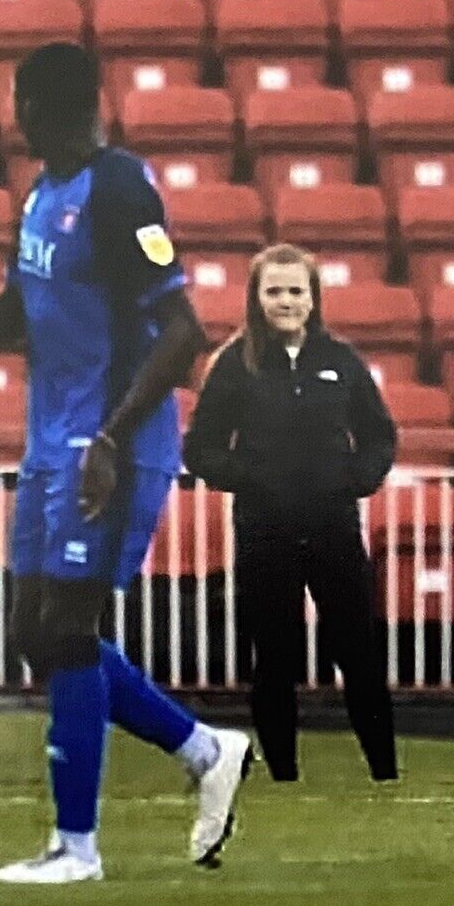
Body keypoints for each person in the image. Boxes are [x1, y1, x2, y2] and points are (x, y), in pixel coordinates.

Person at [0, 41, 253, 880]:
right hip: (51, 443)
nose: (14, 119)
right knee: (33, 634)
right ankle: (203, 749)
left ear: (45, 109)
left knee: (69, 629)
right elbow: (18, 312)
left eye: (21, 104)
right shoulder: (43, 195)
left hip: (108, 446)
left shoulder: (118, 188)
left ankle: (76, 847)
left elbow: (185, 332)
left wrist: (116, 440)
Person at [183, 244, 399, 784]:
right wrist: (247, 477)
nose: (286, 301)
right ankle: (283, 777)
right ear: (256, 299)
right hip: (264, 532)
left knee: (359, 656)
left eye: (296, 290)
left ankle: (385, 773)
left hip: (334, 530)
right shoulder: (234, 363)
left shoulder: (342, 361)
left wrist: (355, 479)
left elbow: (379, 436)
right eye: (274, 291)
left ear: (313, 297)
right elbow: (201, 446)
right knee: (274, 660)